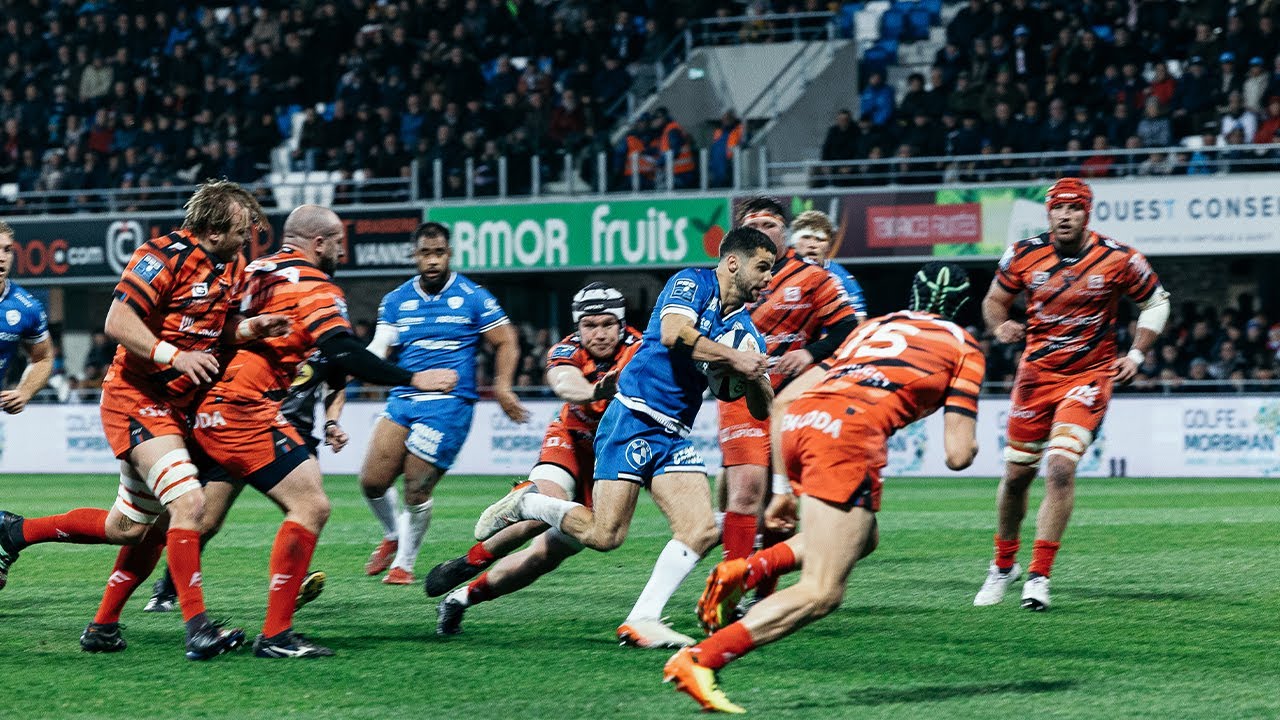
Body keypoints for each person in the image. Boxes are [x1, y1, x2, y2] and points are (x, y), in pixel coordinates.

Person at [665, 262, 985, 713]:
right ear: (961, 307)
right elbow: (957, 454)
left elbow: (789, 399)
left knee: (862, 537)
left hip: (799, 421)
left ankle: (745, 570)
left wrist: (782, 488)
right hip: (850, 432)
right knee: (822, 591)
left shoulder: (875, 326)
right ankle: (701, 659)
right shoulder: (964, 345)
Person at [0, 180, 283, 659]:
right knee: (189, 504)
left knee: (130, 528)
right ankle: (198, 629)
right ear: (214, 230)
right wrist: (173, 355)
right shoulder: (161, 255)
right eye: (242, 228)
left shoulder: (230, 265)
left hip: (176, 408)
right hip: (134, 398)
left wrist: (251, 328)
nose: (248, 236)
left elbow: (220, 329)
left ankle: (28, 544)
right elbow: (117, 320)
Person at [472, 228, 776, 648]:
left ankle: (642, 619)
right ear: (732, 263)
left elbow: (762, 409)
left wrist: (755, 374)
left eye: (771, 270)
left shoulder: (744, 329)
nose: (767, 279)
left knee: (701, 529)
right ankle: (530, 502)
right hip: (632, 415)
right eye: (762, 267)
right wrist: (733, 358)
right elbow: (673, 333)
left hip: (673, 433)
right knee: (605, 536)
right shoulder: (692, 282)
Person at [973, 177, 1169, 611]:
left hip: (1089, 376)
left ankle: (1039, 576)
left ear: (1087, 213)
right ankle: (1003, 566)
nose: (1064, 215)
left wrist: (1136, 355)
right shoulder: (1022, 254)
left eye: (1074, 208)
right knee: (1017, 476)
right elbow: (994, 301)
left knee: (1060, 468)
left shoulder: (1119, 259)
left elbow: (1156, 302)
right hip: (1035, 378)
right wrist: (1000, 324)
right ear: (1048, 213)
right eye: (1057, 208)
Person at [426, 283, 642, 633]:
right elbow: (562, 381)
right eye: (589, 325)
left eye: (607, 324)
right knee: (545, 506)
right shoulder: (566, 349)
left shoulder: (642, 349)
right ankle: (470, 561)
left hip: (613, 457)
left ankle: (460, 598)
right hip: (571, 440)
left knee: (543, 557)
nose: (599, 333)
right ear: (578, 327)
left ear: (621, 324)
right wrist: (594, 392)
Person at [360, 222, 528, 585]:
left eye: (439, 253)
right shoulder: (395, 300)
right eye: (425, 254)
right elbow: (378, 349)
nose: (433, 261)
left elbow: (506, 340)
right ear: (415, 256)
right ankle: (392, 535)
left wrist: (502, 387)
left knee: (416, 486)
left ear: (449, 254)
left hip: (449, 404)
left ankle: (403, 563)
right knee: (371, 482)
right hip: (405, 397)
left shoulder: (473, 296)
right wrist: (352, 359)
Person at [714, 197, 858, 602]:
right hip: (741, 392)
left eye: (771, 224)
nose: (763, 229)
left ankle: (763, 595)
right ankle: (728, 591)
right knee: (747, 489)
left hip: (794, 402)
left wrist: (810, 353)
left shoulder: (812, 278)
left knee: (783, 503)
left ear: (785, 232)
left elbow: (847, 326)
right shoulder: (723, 276)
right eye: (753, 223)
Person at [141, 346, 346, 614]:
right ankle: (167, 589)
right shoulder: (264, 328)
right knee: (207, 522)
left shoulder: (329, 340)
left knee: (310, 508)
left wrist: (332, 423)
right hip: (243, 428)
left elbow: (337, 386)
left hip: (294, 434)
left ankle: (292, 585)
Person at [0, 221, 54, 417]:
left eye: (7, 250)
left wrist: (24, 392)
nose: (1, 258)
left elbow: (43, 358)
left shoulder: (26, 308)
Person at [788, 210, 868, 321]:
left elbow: (859, 319)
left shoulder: (840, 276)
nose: (812, 245)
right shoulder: (777, 272)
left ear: (829, 246)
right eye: (806, 237)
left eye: (820, 239)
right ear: (793, 242)